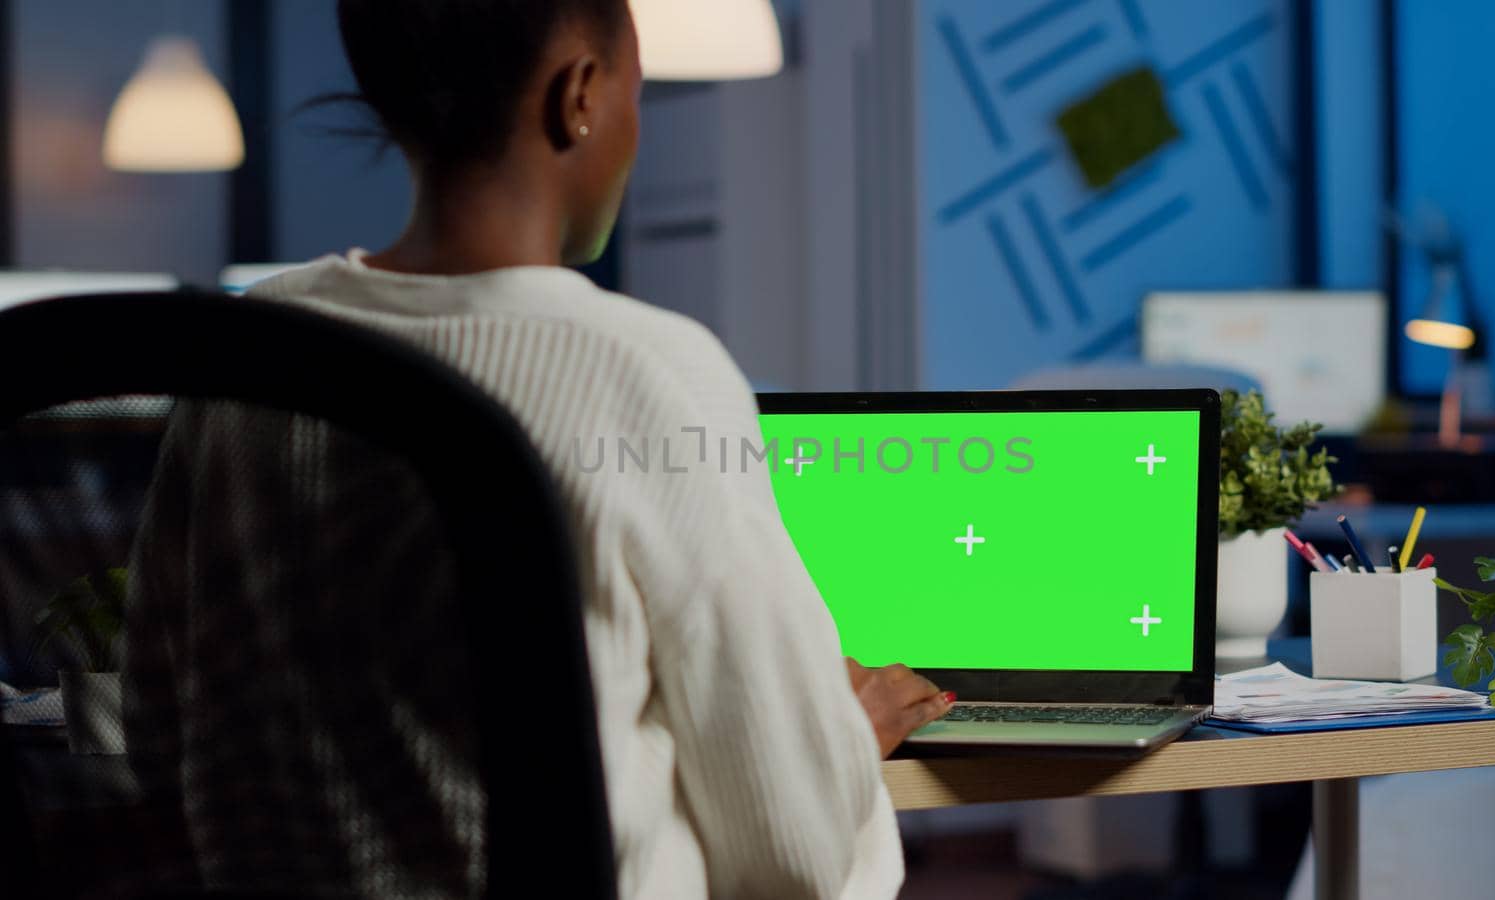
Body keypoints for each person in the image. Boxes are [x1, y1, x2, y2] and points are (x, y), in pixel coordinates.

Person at [129, 1, 952, 898]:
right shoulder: (646, 370)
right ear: (581, 96)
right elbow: (789, 852)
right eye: (638, 90)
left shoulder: (249, 351)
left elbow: (155, 722)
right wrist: (837, 738)